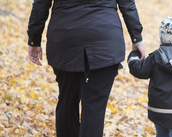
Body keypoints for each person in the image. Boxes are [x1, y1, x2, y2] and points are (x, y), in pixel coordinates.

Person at [27, 0, 145, 136]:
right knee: (94, 107)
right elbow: (127, 3)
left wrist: (34, 39)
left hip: (65, 40)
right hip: (104, 40)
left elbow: (41, 3)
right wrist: (137, 39)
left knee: (67, 100)